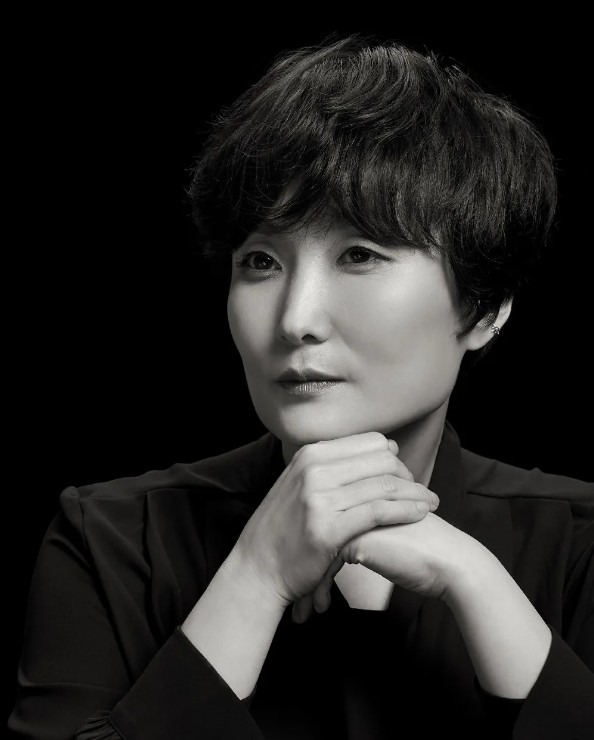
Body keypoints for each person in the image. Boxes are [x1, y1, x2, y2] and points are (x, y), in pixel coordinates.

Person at [8, 34, 593, 739]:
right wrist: (255, 576)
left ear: (485, 306)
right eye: (260, 261)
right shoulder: (112, 539)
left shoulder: (579, 541)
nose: (295, 320)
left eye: (359, 254)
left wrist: (478, 582)